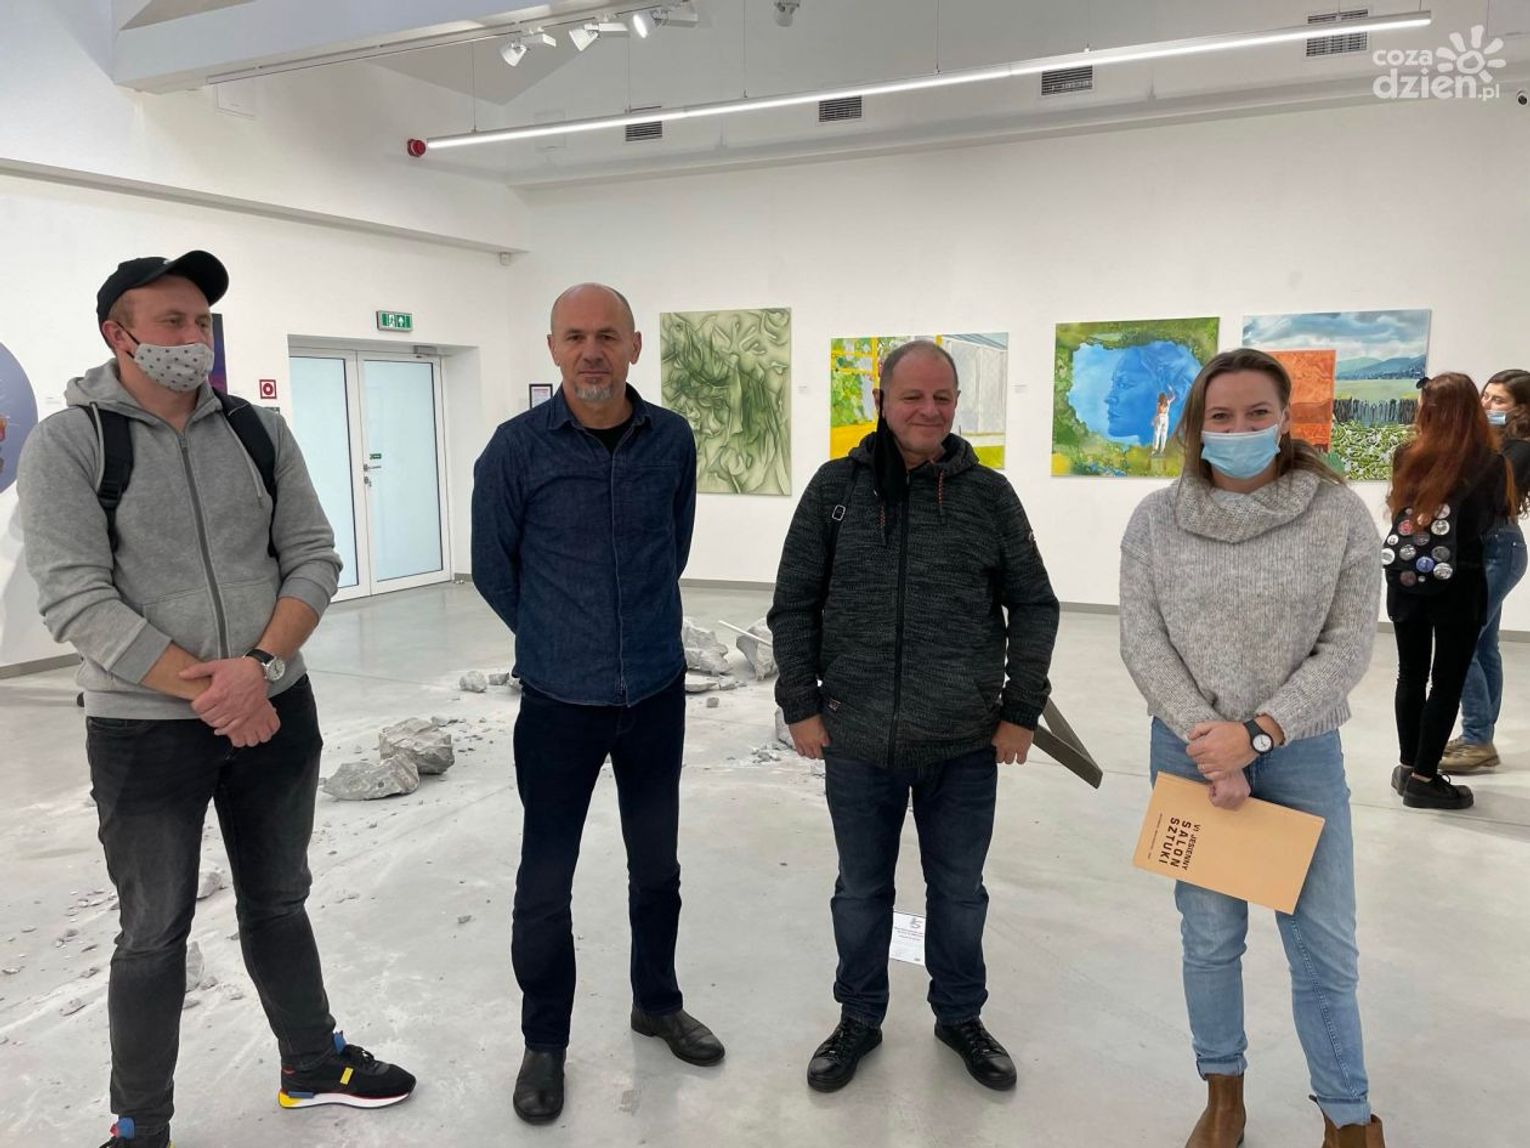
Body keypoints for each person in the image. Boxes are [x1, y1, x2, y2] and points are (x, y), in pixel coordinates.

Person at [17, 252, 414, 1148]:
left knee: (279, 899)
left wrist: (259, 668)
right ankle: (140, 1124)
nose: (194, 338)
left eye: (202, 321)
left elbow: (312, 554)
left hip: (276, 705)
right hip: (144, 733)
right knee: (152, 931)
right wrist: (222, 691)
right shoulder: (70, 444)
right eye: (172, 321)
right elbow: (76, 598)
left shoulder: (257, 430)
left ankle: (311, 1065)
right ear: (118, 334)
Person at [769, 340, 1059, 1095]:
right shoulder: (834, 490)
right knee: (861, 893)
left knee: (959, 894)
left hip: (963, 742)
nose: (928, 411)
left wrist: (1020, 710)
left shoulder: (989, 496)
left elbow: (1034, 605)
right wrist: (801, 704)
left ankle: (960, 1015)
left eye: (942, 397)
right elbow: (794, 604)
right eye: (912, 396)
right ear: (881, 401)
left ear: (956, 404)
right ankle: (859, 1017)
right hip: (857, 737)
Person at [1119, 348, 1387, 1147]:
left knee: (1324, 947)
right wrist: (1210, 740)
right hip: (1190, 752)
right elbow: (1143, 641)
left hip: (1300, 752)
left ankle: (1347, 1116)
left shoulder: (1338, 516)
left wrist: (1259, 733)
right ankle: (1223, 1095)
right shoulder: (1155, 521)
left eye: (1256, 414)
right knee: (1209, 939)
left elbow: (1348, 645)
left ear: (1284, 421)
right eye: (1221, 417)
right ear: (1196, 428)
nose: (1238, 430)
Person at [471, 283, 722, 1126]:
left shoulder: (671, 439)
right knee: (545, 881)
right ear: (552, 347)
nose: (592, 352)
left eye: (607, 336)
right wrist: (557, 635)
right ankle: (545, 1042)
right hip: (557, 705)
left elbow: (674, 545)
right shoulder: (515, 450)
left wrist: (627, 631)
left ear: (635, 346)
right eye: (575, 336)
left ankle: (657, 1002)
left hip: (654, 692)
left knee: (658, 869)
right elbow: (494, 568)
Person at [1385, 373, 1517, 811]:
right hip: (1460, 581)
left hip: (1406, 577)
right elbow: (1491, 520)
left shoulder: (1406, 454)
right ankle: (1426, 778)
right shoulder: (1490, 463)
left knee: (1410, 673)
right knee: (1447, 679)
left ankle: (1408, 766)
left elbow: (1398, 506)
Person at [1440, 369, 1530, 772]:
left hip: (1498, 550)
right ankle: (1480, 736)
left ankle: (1477, 737)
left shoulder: (1519, 449)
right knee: (1482, 645)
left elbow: (1481, 492)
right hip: (1488, 548)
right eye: (1485, 396)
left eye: (1498, 400)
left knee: (1459, 641)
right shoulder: (1496, 443)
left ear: (1522, 408)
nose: (1486, 405)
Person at [1152, 391, 1173, 455]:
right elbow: (1173, 397)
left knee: (1157, 433)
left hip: (1160, 418)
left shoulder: (1159, 404)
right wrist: (1171, 391)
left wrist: (1153, 420)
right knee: (1164, 434)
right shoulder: (1167, 402)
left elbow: (1159, 412)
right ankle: (1162, 450)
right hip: (1166, 418)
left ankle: (1155, 449)